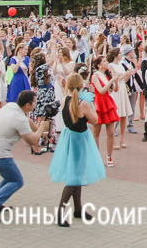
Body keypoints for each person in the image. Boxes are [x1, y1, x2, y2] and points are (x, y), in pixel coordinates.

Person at [0, 90, 50, 217]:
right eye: (34, 102)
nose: (36, 104)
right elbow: (32, 140)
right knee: (17, 181)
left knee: (9, 178)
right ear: (27, 105)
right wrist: (42, 127)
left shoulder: (11, 106)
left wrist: (42, 133)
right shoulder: (19, 119)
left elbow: (28, 121)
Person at [49, 72, 104, 226]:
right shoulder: (83, 103)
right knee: (73, 178)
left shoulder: (65, 99)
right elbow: (95, 120)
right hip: (79, 140)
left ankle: (78, 208)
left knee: (77, 174)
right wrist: (91, 100)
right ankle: (60, 213)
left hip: (68, 137)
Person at [90, 56, 120, 167]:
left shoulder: (106, 75)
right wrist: (111, 80)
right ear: (99, 65)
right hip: (99, 103)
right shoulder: (95, 76)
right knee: (96, 132)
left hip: (108, 102)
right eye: (104, 61)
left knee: (110, 132)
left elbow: (115, 89)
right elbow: (101, 91)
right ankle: (96, 156)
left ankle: (109, 156)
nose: (106, 63)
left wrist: (115, 81)